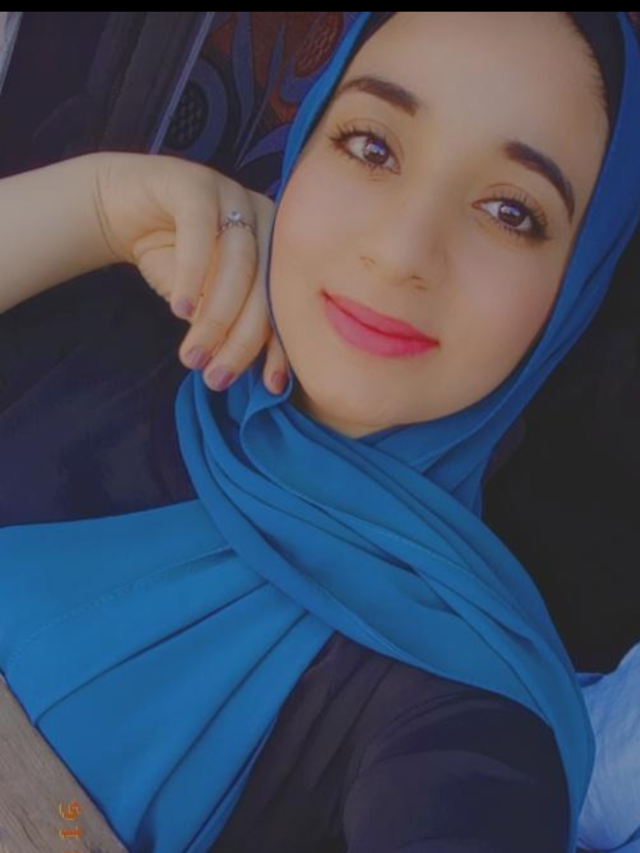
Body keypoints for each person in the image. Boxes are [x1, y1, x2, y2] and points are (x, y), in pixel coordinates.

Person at [0, 11, 639, 853]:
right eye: (371, 147)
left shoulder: (464, 714)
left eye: (510, 211)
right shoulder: (114, 339)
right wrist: (97, 205)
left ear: (573, 291)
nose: (402, 249)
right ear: (305, 146)